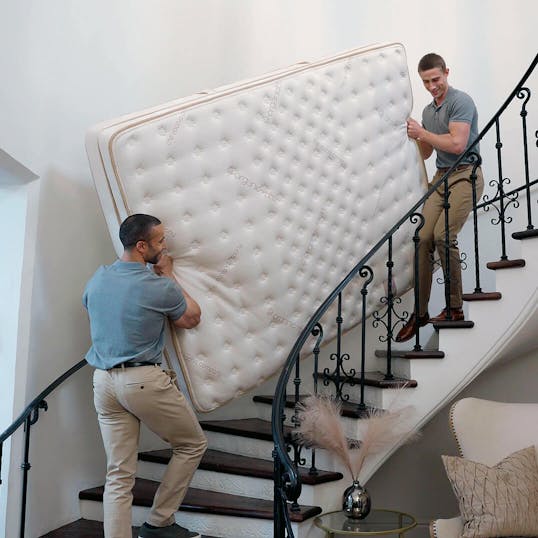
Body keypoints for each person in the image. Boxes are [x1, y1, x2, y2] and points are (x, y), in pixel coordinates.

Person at [83, 214, 207, 538]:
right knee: (192, 444)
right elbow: (192, 317)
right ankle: (159, 522)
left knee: (118, 474)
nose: (165, 246)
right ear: (142, 246)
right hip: (142, 382)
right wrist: (169, 274)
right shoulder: (158, 286)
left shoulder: (97, 279)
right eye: (161, 241)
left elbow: (95, 309)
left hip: (103, 382)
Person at [396, 53, 484, 343]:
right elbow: (426, 153)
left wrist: (423, 132)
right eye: (425, 82)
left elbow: (458, 144)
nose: (432, 86)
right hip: (441, 177)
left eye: (436, 79)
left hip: (465, 174)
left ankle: (455, 308)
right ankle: (420, 313)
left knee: (444, 235)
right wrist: (412, 135)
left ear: (447, 72)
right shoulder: (428, 111)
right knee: (422, 238)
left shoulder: (461, 101)